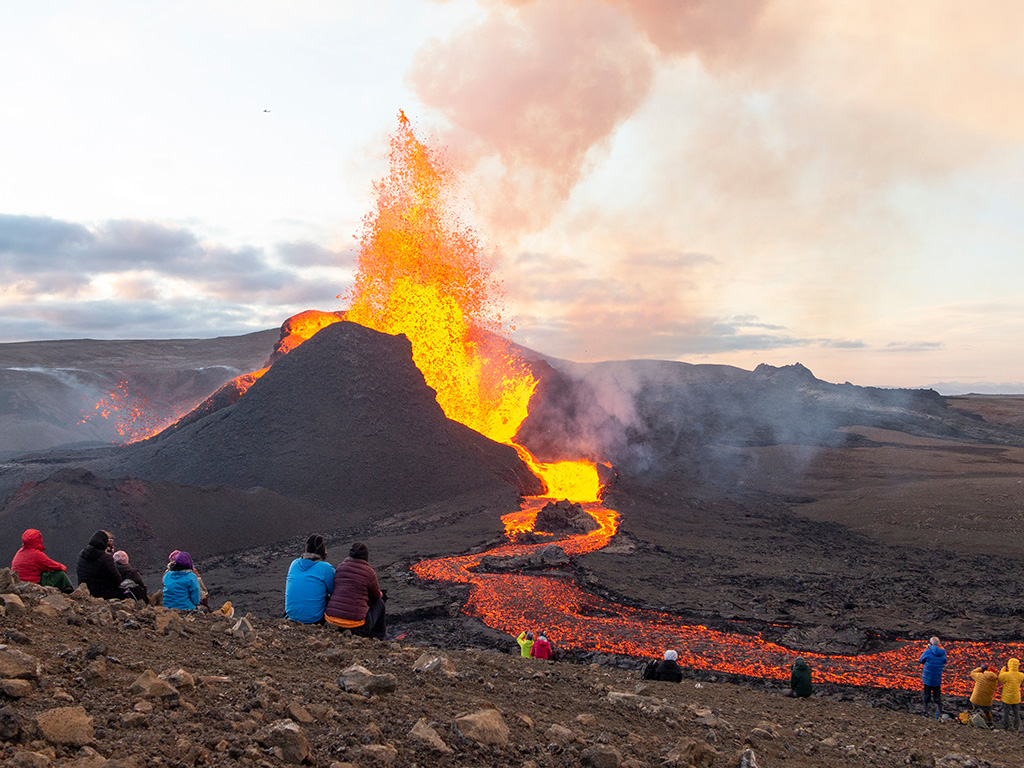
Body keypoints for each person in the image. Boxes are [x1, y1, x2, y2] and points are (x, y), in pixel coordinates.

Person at [324, 542, 386, 639]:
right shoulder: (368, 572)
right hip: (356, 627)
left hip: (331, 621)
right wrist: (381, 594)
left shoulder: (340, 567)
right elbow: (376, 596)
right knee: (379, 603)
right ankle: (378, 638)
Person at [284, 534, 335, 624]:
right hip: (315, 619)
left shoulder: (294, 564)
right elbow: (334, 591)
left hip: (292, 616)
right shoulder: (325, 568)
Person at [76, 530, 125, 599]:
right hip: (101, 594)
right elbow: (117, 580)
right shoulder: (105, 558)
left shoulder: (83, 553)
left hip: (85, 591)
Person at [919, 636, 947, 719]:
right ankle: (938, 714)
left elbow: (921, 660)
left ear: (930, 643)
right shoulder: (943, 653)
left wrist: (927, 649)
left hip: (927, 678)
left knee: (927, 695)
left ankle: (925, 712)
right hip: (937, 679)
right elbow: (945, 661)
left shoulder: (927, 652)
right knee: (937, 696)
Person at [999, 658, 1023, 731]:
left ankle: (1006, 726)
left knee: (1006, 712)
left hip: (1007, 698)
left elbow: (1000, 678)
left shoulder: (1006, 675)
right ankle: (1016, 727)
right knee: (1016, 712)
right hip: (1016, 698)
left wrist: (1003, 670)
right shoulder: (1021, 675)